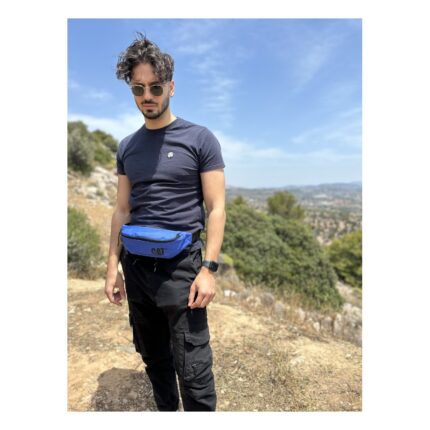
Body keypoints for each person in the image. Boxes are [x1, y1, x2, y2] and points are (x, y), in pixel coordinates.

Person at [104, 34, 226, 412]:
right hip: (137, 267)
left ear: (170, 87)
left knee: (193, 368)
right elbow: (122, 210)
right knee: (154, 357)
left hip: (181, 269)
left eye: (155, 87)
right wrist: (112, 269)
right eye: (138, 88)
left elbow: (216, 207)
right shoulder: (127, 146)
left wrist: (208, 269)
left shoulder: (200, 139)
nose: (147, 96)